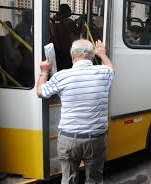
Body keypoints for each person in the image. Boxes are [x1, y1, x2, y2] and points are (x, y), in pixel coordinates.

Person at [37, 39, 114, 184]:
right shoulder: (104, 73)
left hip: (69, 139)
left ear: (72, 56)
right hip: (96, 139)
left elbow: (41, 92)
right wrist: (102, 54)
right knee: (95, 179)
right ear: (92, 56)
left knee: (69, 179)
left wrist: (44, 72)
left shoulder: (61, 76)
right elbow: (110, 67)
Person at [50, 4, 80, 70]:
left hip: (59, 49)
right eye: (69, 9)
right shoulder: (69, 22)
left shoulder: (56, 22)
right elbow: (76, 35)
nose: (71, 11)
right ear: (66, 11)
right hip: (68, 49)